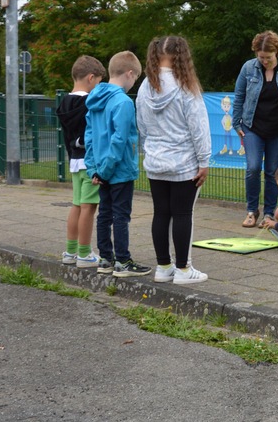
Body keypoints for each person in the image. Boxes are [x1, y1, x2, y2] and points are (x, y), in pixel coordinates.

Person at [136, 35, 212, 285]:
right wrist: (204, 160)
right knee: (182, 214)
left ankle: (163, 267)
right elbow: (199, 127)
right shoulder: (185, 86)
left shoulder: (146, 85)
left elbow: (142, 126)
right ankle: (182, 269)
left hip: (156, 160)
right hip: (183, 162)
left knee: (161, 213)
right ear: (181, 55)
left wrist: (152, 147)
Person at [85, 51, 150, 277]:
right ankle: (122, 260)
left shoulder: (94, 98)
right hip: (119, 171)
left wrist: (94, 169)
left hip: (101, 170)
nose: (134, 84)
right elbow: (120, 139)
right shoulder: (123, 102)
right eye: (136, 79)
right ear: (130, 74)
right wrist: (105, 170)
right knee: (121, 215)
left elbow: (89, 137)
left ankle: (105, 259)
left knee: (104, 213)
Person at [232, 31, 278, 228]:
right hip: (252, 127)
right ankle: (252, 211)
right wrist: (236, 124)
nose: (264, 61)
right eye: (260, 57)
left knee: (272, 171)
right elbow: (239, 96)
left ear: (277, 52)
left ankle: (269, 213)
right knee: (252, 168)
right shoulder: (248, 68)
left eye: (268, 57)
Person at [56, 55, 104, 268]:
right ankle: (85, 253)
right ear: (91, 78)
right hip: (90, 162)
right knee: (89, 208)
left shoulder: (65, 102)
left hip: (74, 161)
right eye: (99, 83)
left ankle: (70, 251)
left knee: (76, 205)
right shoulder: (89, 103)